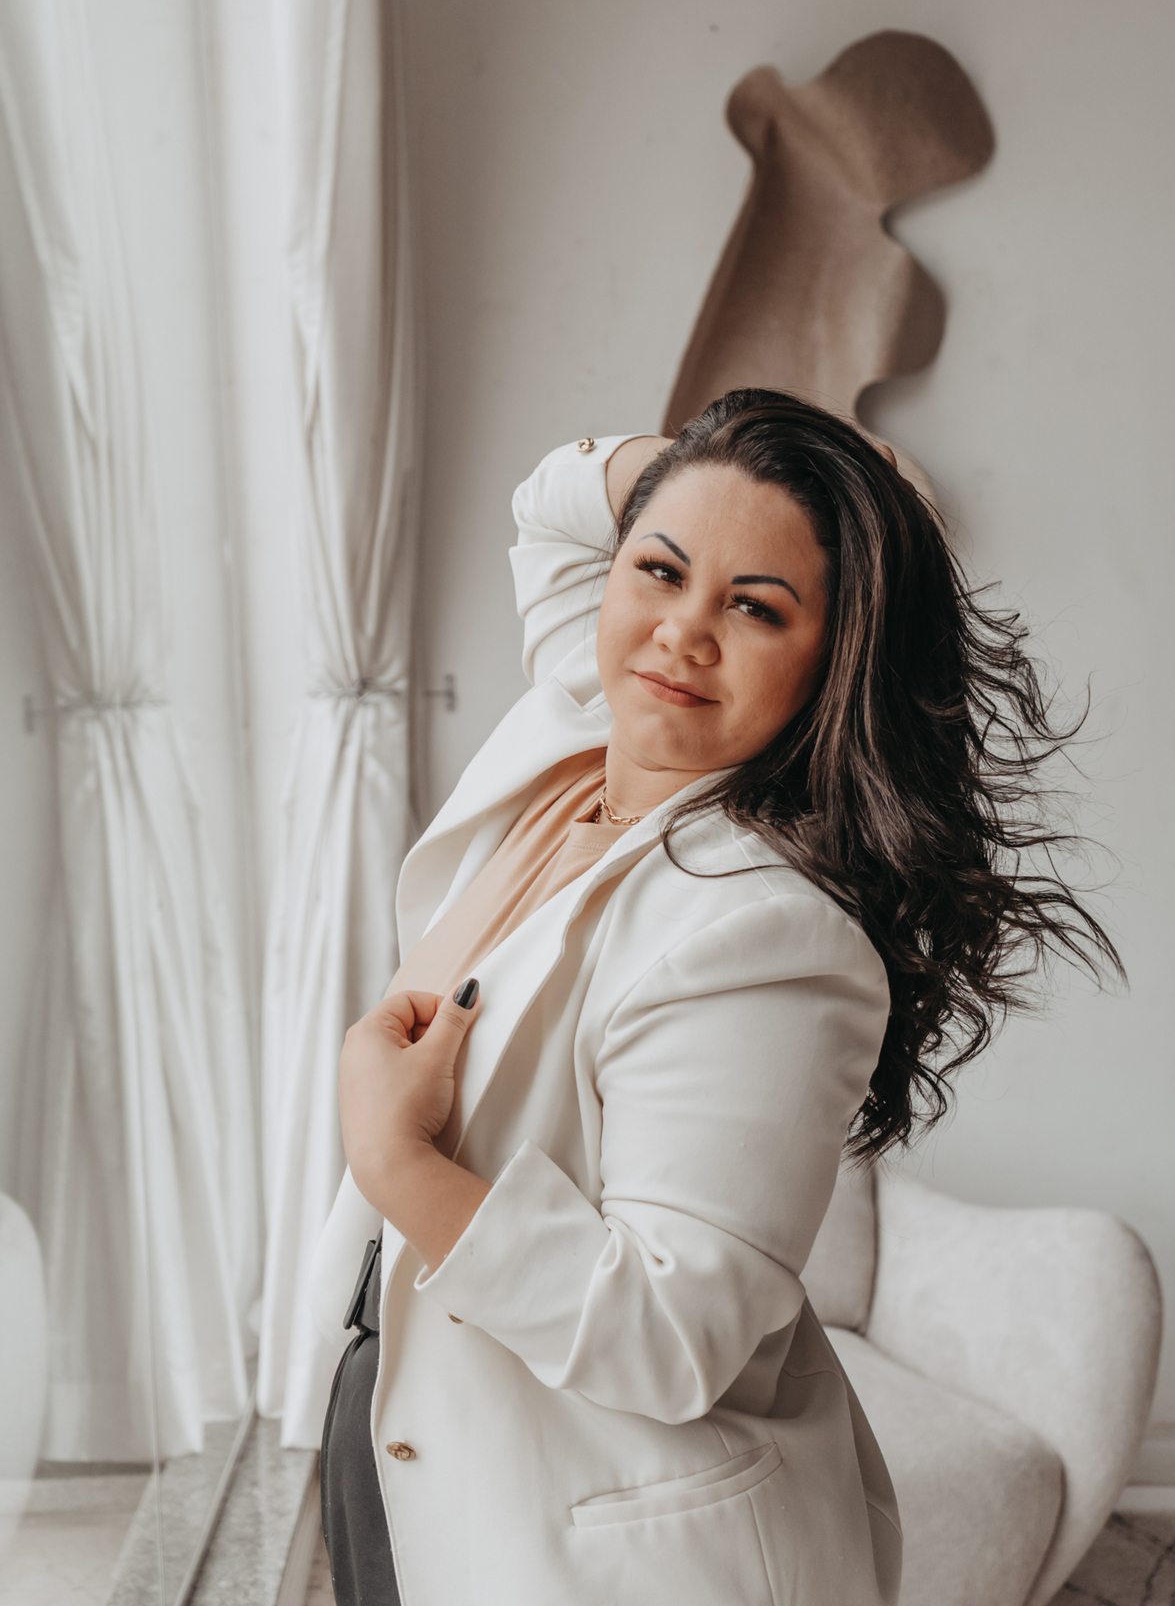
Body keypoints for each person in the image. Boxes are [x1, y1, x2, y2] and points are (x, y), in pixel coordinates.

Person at [312, 391, 1117, 1606]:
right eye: (660, 569)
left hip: (589, 1537)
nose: (683, 633)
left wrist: (396, 1163)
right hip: (416, 1421)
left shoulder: (765, 933)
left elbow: (669, 1333)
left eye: (757, 606)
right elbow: (552, 504)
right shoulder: (583, 737)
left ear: (834, 662)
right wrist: (716, 465)